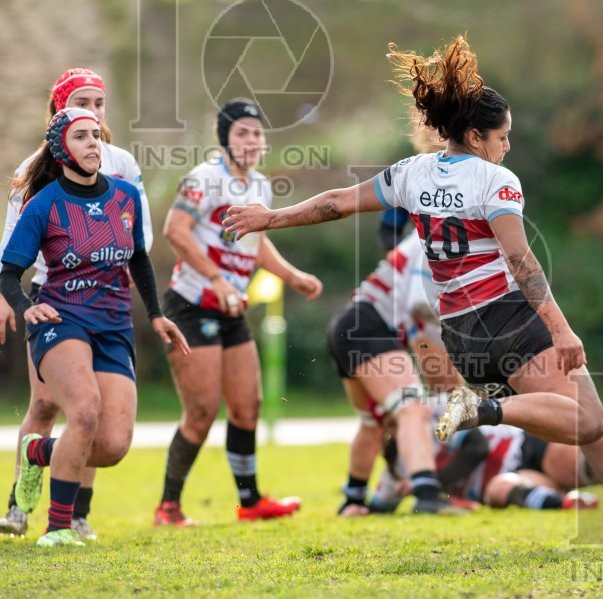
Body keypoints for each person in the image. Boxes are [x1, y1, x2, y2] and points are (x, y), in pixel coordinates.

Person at [224, 36, 603, 545]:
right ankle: (485, 410)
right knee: (586, 421)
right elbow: (521, 262)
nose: (506, 146)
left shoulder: (411, 173)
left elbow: (337, 201)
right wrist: (563, 332)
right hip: (509, 320)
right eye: (502, 137)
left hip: (462, 337)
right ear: (475, 135)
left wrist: (271, 217)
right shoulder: (496, 181)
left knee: (592, 426)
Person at [0, 107, 189, 547]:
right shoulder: (43, 204)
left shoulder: (123, 196)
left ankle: (35, 451)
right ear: (61, 149)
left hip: (114, 322)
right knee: (84, 410)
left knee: (112, 447)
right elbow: (7, 271)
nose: (92, 144)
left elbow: (139, 258)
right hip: (61, 318)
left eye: (96, 136)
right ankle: (59, 527)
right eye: (81, 137)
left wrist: (157, 314)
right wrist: (25, 306)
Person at [152, 99, 323, 527]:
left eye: (257, 133)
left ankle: (250, 502)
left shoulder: (261, 187)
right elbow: (175, 231)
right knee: (203, 411)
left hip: (230, 309)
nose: (251, 140)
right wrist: (215, 278)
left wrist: (293, 275)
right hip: (191, 306)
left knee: (248, 406)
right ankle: (168, 507)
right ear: (224, 138)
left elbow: (257, 241)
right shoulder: (204, 178)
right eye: (242, 132)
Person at [331, 231, 467, 516]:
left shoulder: (435, 227)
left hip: (351, 325)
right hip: (368, 325)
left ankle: (353, 499)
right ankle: (427, 496)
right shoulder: (444, 236)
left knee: (372, 422)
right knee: (413, 409)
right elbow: (422, 316)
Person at [371, 423, 603, 513]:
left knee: (590, 461)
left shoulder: (429, 422)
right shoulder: (396, 466)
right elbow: (381, 505)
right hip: (507, 479)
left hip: (524, 448)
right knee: (499, 489)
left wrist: (430, 486)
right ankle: (566, 503)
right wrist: (364, 505)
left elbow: (478, 447)